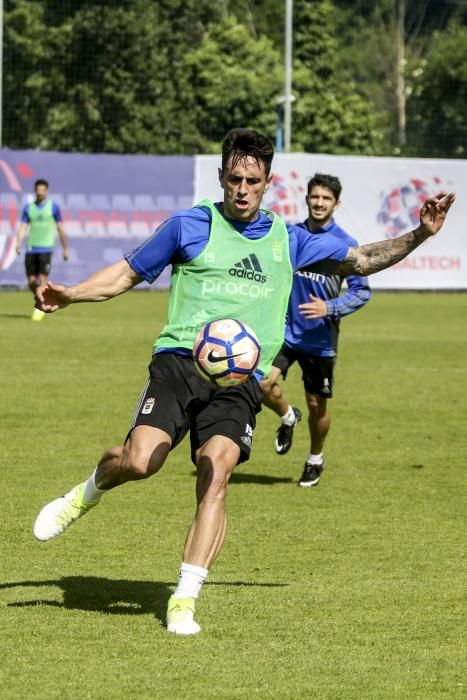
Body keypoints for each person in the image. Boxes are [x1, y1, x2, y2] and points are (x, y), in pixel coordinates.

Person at [32, 128, 455, 636]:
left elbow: (360, 259)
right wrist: (71, 294)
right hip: (179, 363)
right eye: (234, 178)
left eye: (252, 180)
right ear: (221, 178)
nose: (242, 188)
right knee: (141, 461)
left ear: (267, 183)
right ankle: (87, 492)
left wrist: (420, 234)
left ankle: (184, 598)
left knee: (217, 470)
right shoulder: (189, 225)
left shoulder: (289, 239)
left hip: (239, 380)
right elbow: (125, 273)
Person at [262, 173, 371, 487]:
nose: (319, 203)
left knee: (316, 404)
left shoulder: (345, 245)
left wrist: (330, 307)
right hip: (283, 332)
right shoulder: (290, 235)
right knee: (261, 385)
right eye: (315, 197)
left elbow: (361, 292)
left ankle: (315, 458)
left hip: (320, 339)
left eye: (326, 198)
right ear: (307, 199)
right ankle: (286, 416)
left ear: (336, 204)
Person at [15, 178, 69, 321]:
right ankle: (41, 300)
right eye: (38, 190)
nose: (40, 192)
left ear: (46, 191)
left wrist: (65, 248)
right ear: (35, 191)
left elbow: (60, 228)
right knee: (32, 281)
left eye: (42, 190)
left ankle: (40, 307)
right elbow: (23, 227)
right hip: (31, 248)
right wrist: (18, 242)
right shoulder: (28, 208)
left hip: (46, 248)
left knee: (43, 280)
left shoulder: (53, 207)